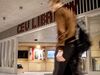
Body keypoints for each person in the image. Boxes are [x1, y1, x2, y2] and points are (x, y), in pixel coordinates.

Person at [48, 0, 82, 75]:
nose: (50, 8)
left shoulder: (59, 12)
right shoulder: (70, 12)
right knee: (72, 70)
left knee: (59, 71)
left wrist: (60, 49)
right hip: (73, 45)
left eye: (51, 5)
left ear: (55, 3)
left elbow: (61, 30)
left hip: (65, 45)